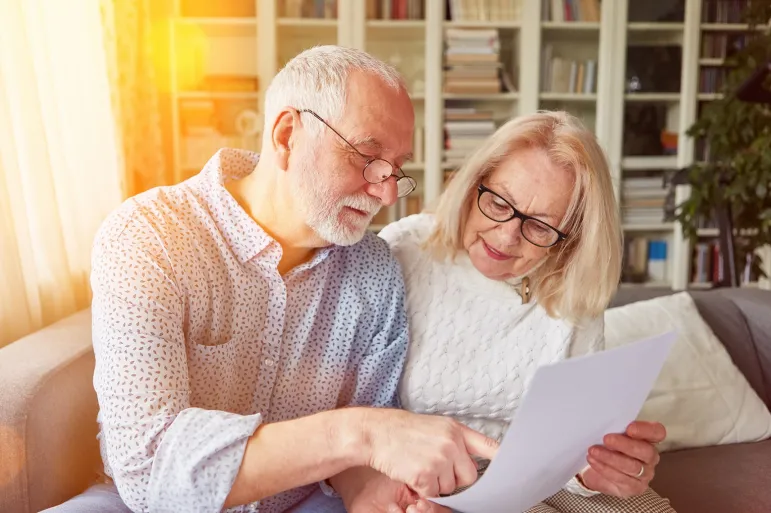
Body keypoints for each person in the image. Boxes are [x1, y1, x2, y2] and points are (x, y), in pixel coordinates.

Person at [43, 46, 498, 513]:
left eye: (396, 168)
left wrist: (371, 491)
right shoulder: (151, 236)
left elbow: (357, 459)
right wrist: (360, 433)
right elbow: (149, 474)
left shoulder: (374, 271)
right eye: (367, 155)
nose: (385, 192)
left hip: (300, 503)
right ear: (286, 136)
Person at [335, 111, 674, 513]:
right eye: (499, 203)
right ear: (472, 183)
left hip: (539, 478)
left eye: (540, 226)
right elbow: (347, 408)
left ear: (570, 237)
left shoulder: (572, 290)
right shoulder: (406, 250)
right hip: (423, 472)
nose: (506, 235)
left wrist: (594, 470)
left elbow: (569, 443)